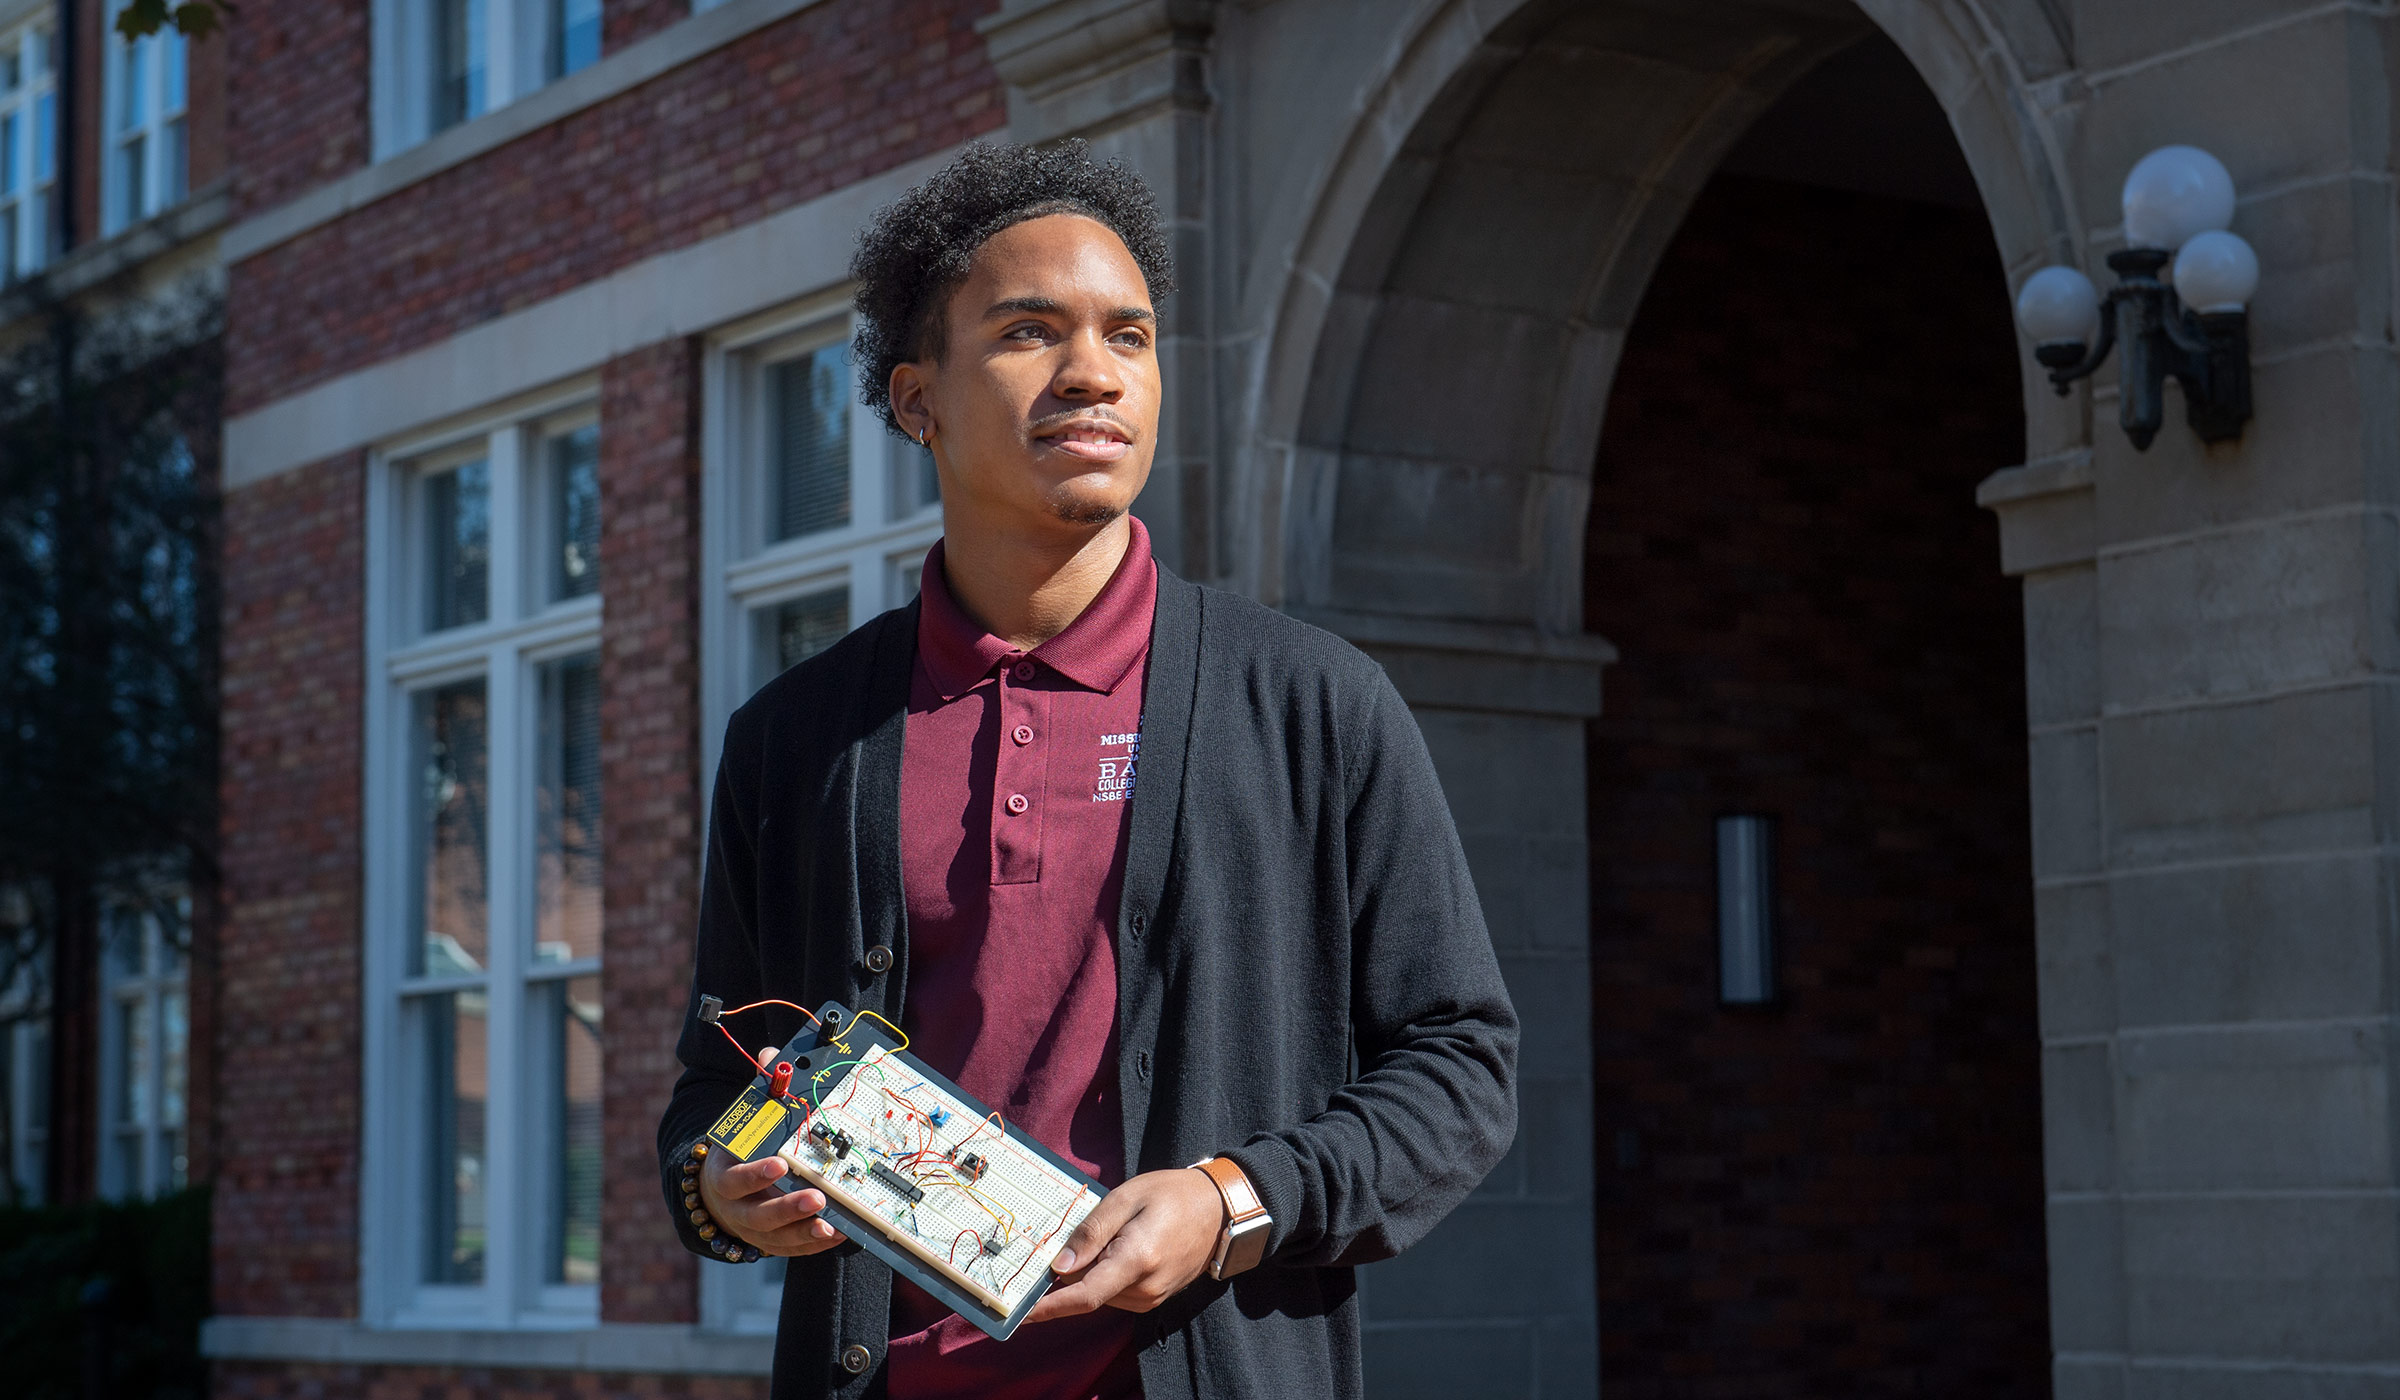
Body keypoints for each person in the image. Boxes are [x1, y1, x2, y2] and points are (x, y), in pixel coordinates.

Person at [655, 140, 1518, 1400]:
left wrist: (1237, 1199)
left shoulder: (1312, 702)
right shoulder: (796, 737)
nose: (1094, 373)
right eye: (1028, 332)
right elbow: (717, 1081)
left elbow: (1462, 1063)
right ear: (915, 400)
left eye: (1131, 333)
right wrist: (728, 1194)